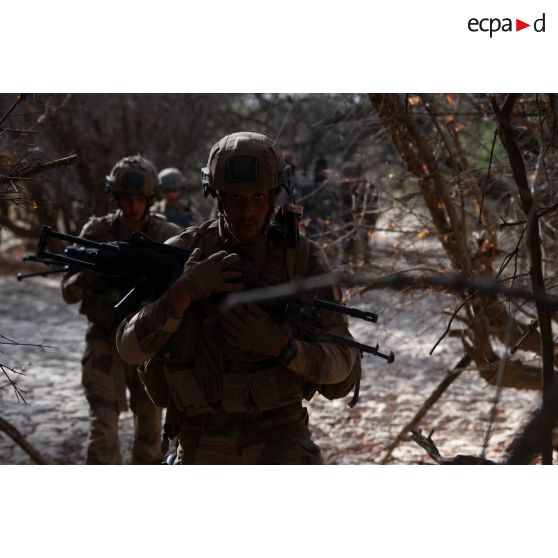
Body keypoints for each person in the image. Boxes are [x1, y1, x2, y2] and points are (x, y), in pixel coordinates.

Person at [116, 132, 362, 465]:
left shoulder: (302, 259)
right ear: (215, 195)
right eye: (234, 197)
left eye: (258, 196)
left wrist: (282, 346)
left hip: (281, 435)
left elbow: (342, 365)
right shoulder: (182, 253)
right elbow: (130, 348)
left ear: (275, 195)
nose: (247, 211)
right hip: (200, 436)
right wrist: (182, 293)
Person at [60, 155, 180, 464]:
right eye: (127, 198)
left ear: (150, 199)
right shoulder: (97, 232)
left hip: (147, 344)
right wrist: (96, 270)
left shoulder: (166, 235)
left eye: (140, 199)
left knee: (151, 435)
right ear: (116, 197)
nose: (134, 206)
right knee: (103, 429)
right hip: (103, 341)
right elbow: (68, 292)